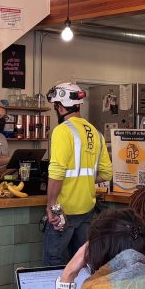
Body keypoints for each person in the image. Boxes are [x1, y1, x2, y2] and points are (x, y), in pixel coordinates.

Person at [43, 82, 112, 266]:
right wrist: (85, 180)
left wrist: (51, 205)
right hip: (87, 209)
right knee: (80, 262)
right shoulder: (96, 133)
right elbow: (106, 173)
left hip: (63, 210)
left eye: (56, 106)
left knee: (54, 262)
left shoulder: (62, 131)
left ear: (60, 106)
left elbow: (57, 172)